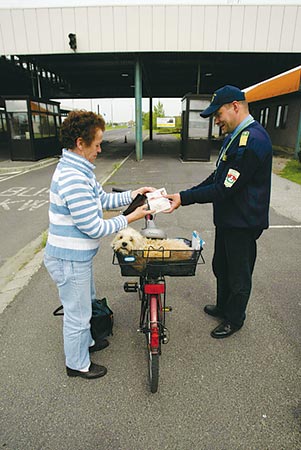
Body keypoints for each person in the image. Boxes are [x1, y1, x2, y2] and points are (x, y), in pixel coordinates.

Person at [44, 110, 155, 379]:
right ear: (80, 143)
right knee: (77, 314)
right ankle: (77, 364)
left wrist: (135, 194)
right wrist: (130, 218)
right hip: (69, 259)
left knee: (85, 306)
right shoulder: (73, 177)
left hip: (76, 257)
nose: (100, 149)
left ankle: (87, 344)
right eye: (96, 144)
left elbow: (102, 200)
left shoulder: (79, 170)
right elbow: (93, 227)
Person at [165, 85, 272, 339]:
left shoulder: (253, 141)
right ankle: (223, 306)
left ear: (235, 106)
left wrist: (184, 198)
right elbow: (217, 176)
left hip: (242, 222)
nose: (216, 120)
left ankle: (234, 319)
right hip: (228, 219)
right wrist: (184, 194)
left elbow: (224, 188)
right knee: (221, 266)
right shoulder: (234, 137)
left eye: (218, 114)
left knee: (238, 274)